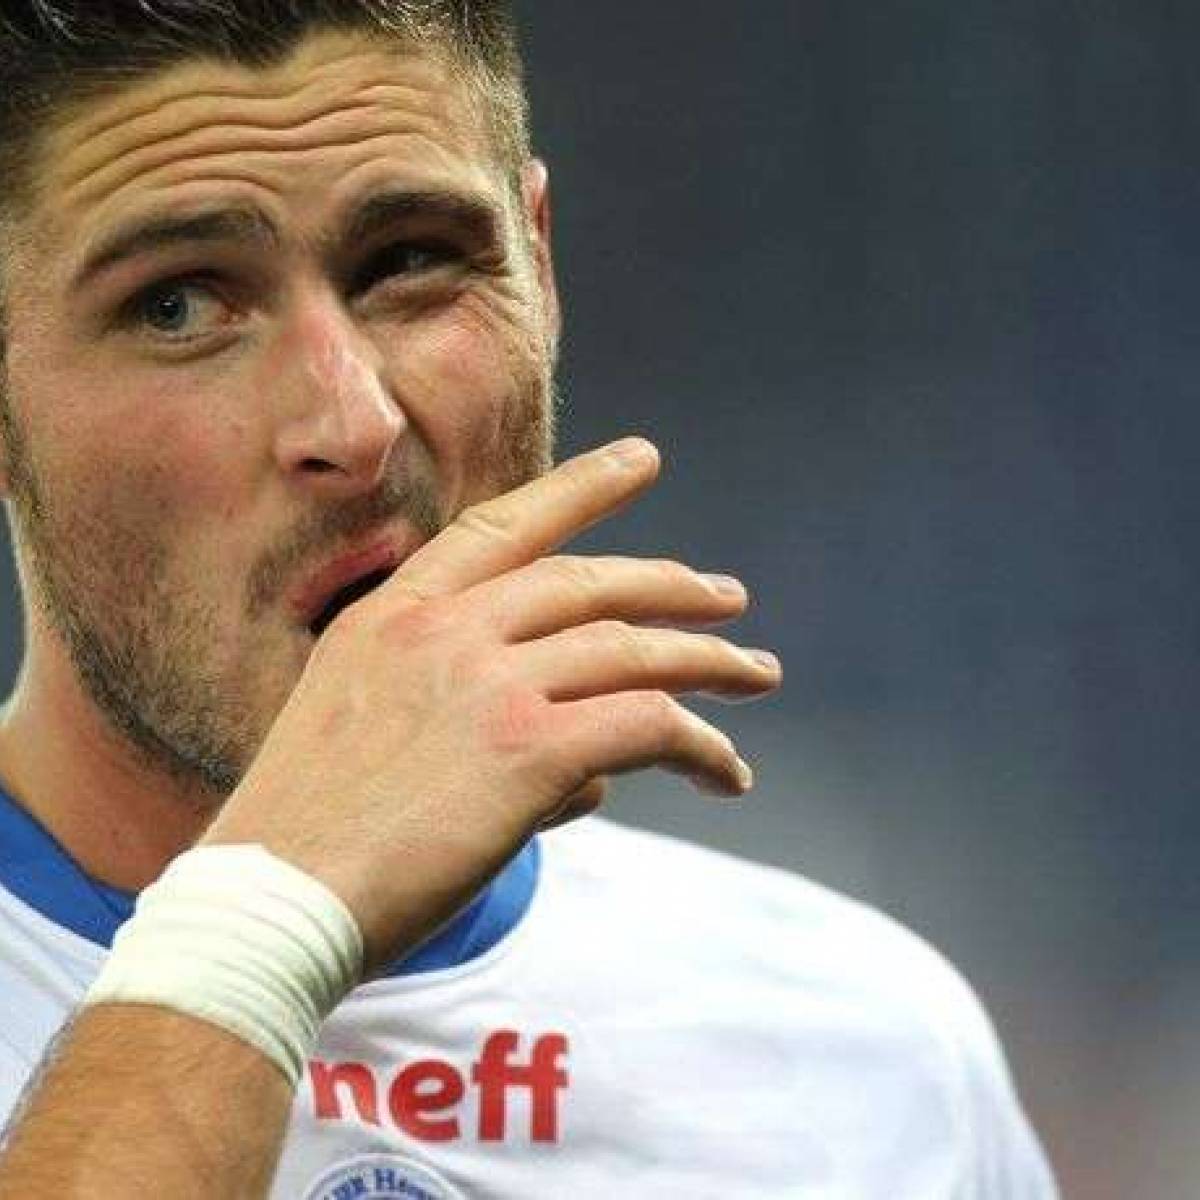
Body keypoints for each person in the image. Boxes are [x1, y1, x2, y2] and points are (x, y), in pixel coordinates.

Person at [0, 1, 1057, 1195]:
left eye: (411, 261)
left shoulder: (872, 1062)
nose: (355, 421)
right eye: (178, 305)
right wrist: (269, 911)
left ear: (539, 268)